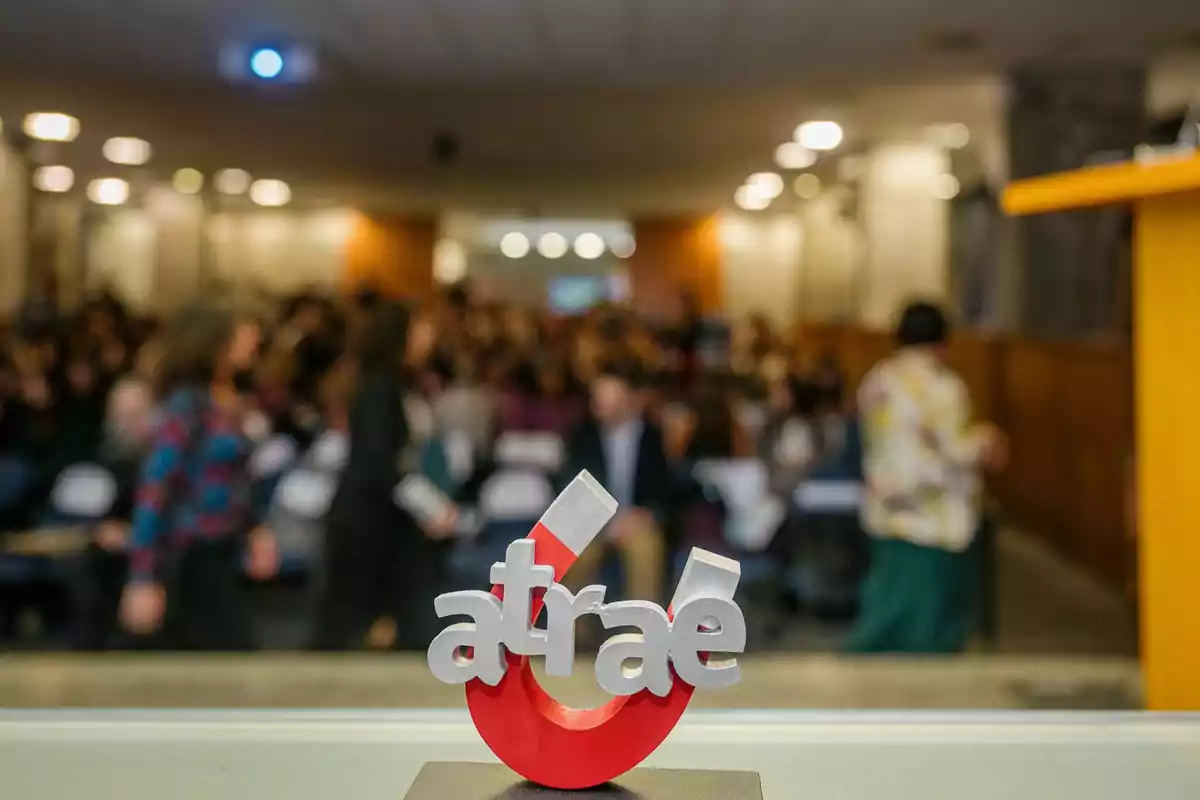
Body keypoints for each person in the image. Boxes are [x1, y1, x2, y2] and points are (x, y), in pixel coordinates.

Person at [846, 301, 1007, 654]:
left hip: (887, 507)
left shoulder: (877, 381)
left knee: (886, 608)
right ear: (943, 343)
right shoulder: (943, 388)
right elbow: (949, 449)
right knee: (928, 629)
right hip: (931, 516)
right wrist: (984, 442)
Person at [118, 301, 278, 650]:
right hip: (189, 552)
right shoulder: (187, 406)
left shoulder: (228, 400)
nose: (251, 341)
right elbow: (155, 489)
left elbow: (237, 480)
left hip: (223, 546)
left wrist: (254, 529)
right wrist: (143, 575)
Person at [310, 303, 456, 650]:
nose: (428, 339)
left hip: (379, 519)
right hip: (366, 522)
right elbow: (381, 462)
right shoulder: (379, 390)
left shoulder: (386, 386)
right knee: (344, 625)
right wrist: (431, 508)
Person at [559, 360, 670, 605]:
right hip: (593, 522)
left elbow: (664, 488)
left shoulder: (652, 437)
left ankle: (641, 633)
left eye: (609, 398)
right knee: (576, 557)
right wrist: (603, 519)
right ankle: (574, 636)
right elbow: (571, 486)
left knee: (645, 549)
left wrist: (647, 513)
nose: (601, 405)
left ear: (628, 399)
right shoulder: (583, 437)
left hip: (637, 519)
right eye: (598, 399)